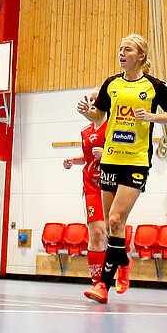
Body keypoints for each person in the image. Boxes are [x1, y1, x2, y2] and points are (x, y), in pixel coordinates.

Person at [76, 34, 167, 303]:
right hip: (110, 158)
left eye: (128, 49)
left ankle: (102, 286)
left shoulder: (155, 86)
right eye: (120, 48)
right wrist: (87, 112)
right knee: (114, 229)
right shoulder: (111, 84)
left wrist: (153, 116)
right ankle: (123, 263)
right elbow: (99, 116)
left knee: (114, 220)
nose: (122, 53)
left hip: (135, 161)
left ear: (141, 56)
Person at [63, 118, 115, 291]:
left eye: (95, 100)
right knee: (97, 233)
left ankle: (121, 262)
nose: (92, 104)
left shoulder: (115, 125)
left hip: (113, 186)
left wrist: (107, 154)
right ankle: (97, 283)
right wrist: (73, 160)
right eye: (90, 100)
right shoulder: (86, 131)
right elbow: (87, 157)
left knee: (112, 233)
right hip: (92, 188)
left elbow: (127, 152)